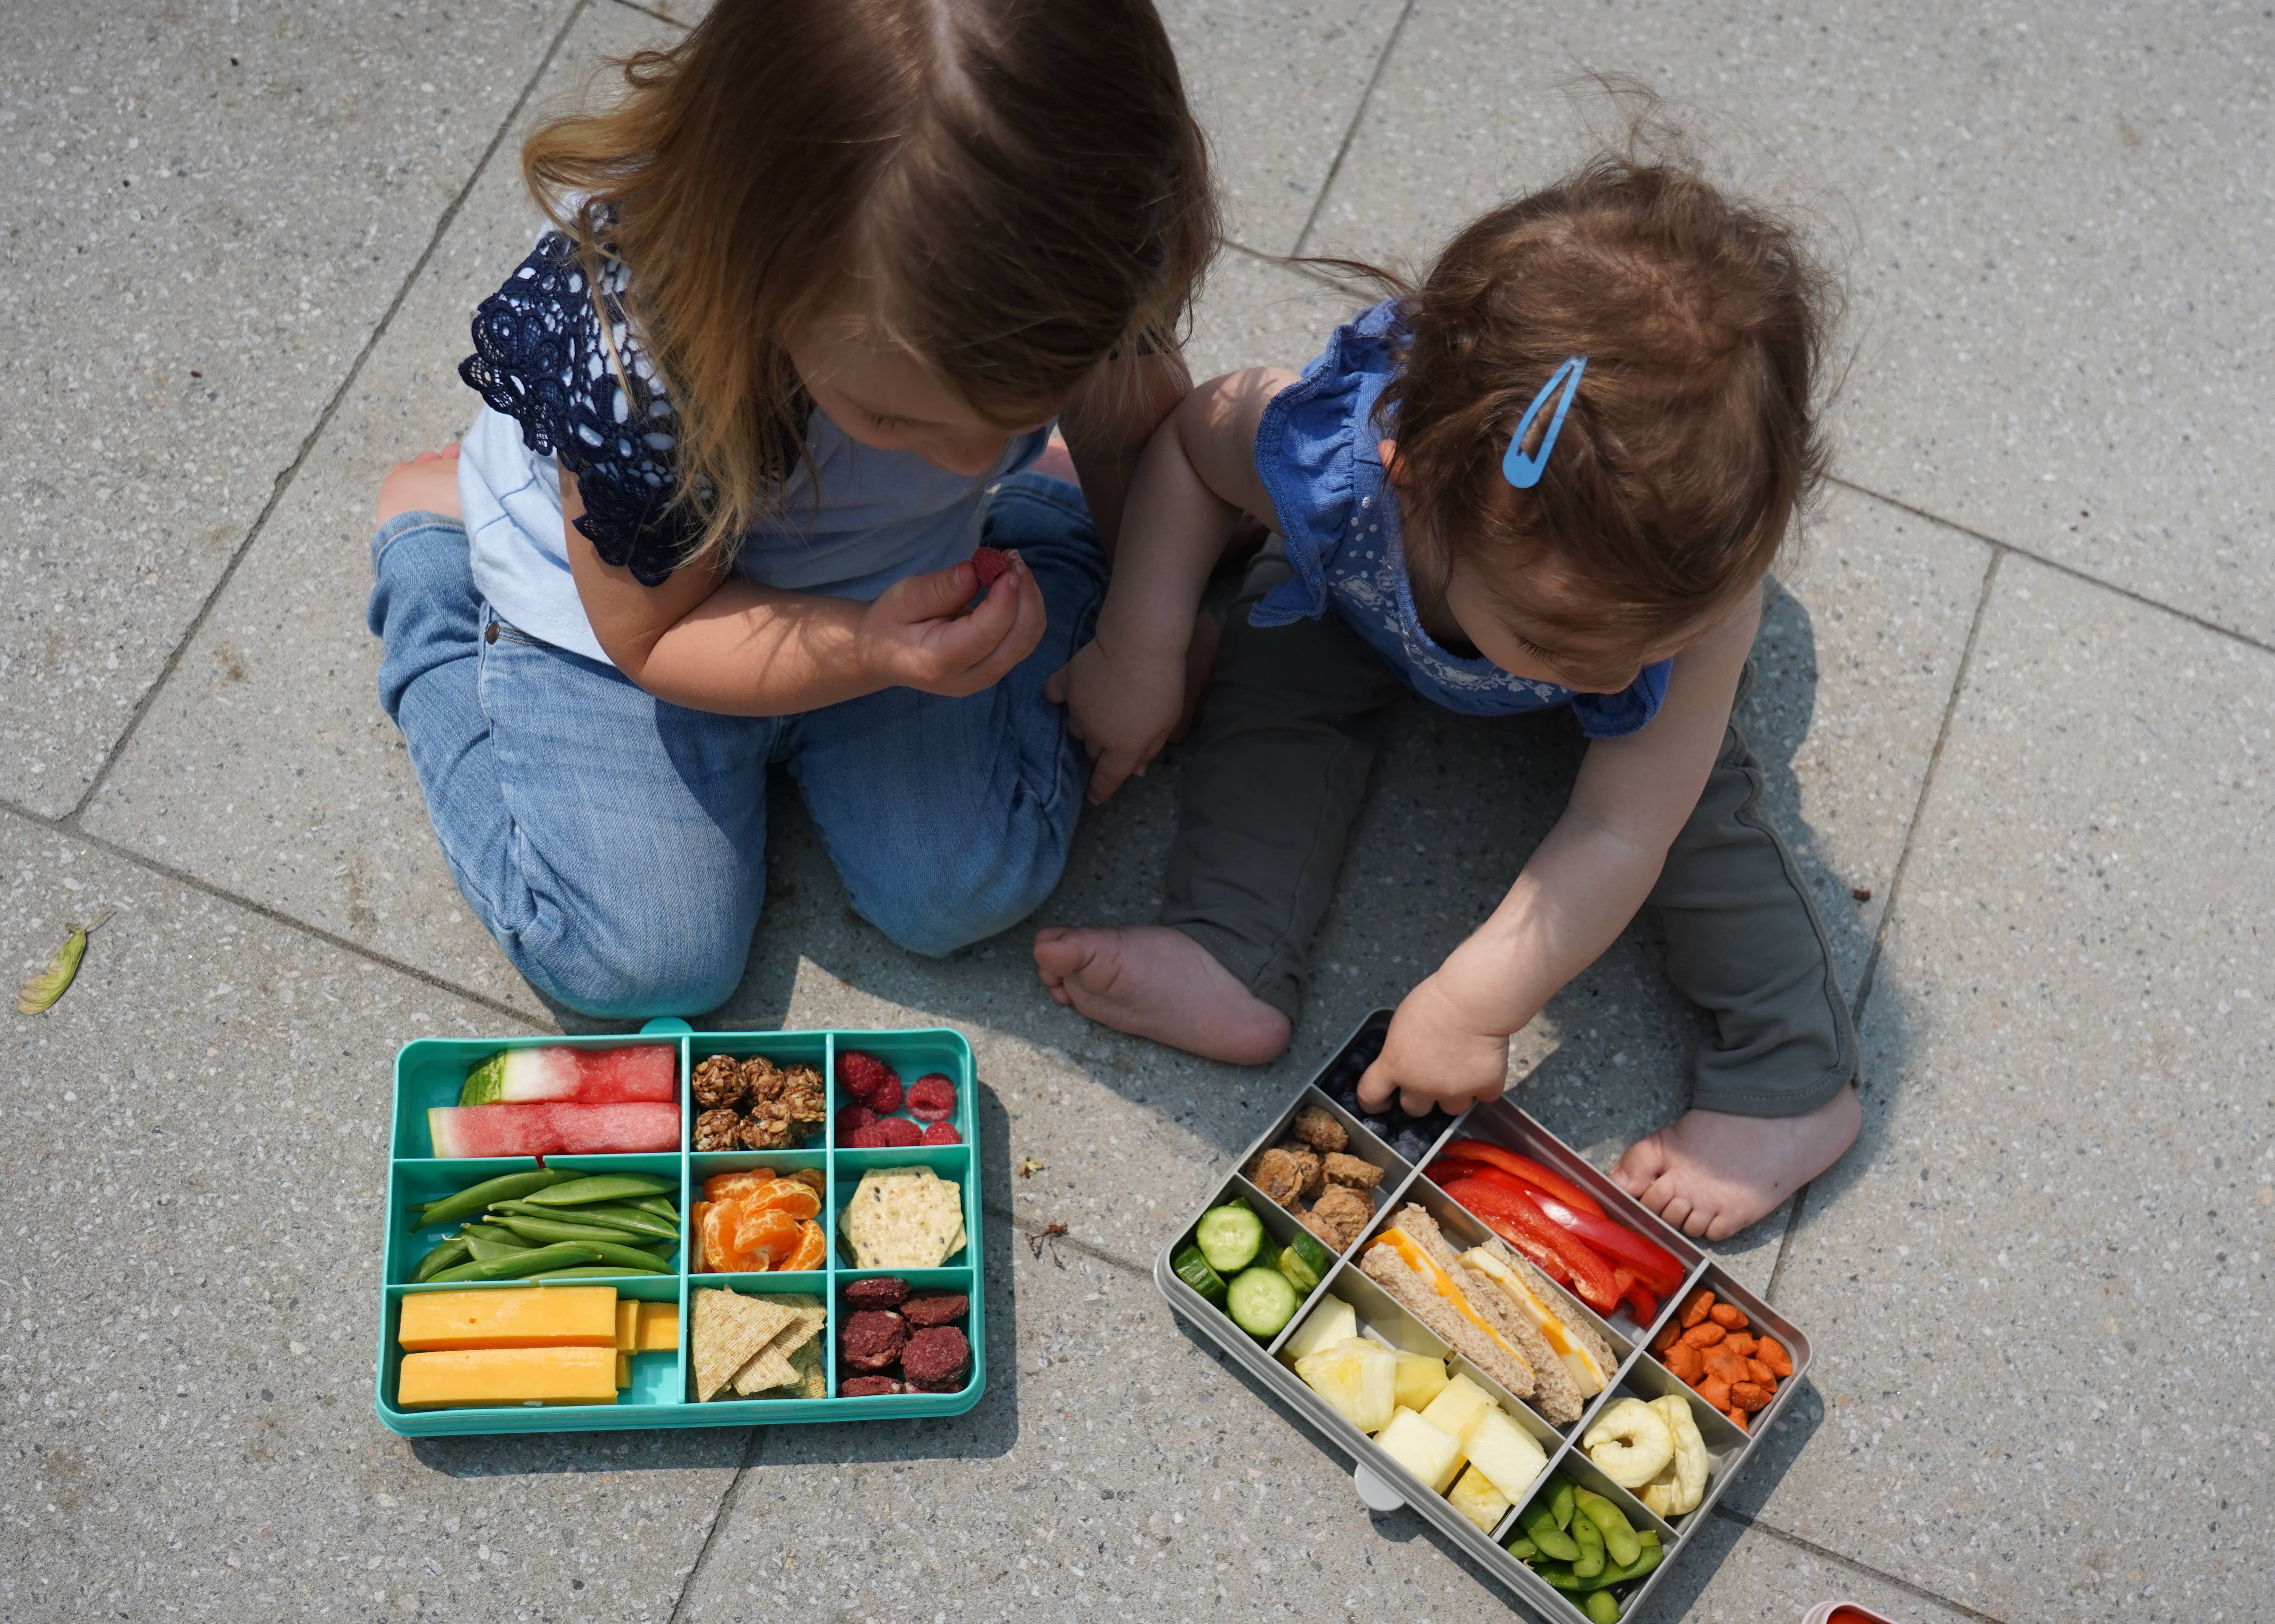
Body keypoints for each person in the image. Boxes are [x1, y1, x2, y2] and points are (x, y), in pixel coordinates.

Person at [1033, 150, 1859, 1238]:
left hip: (1573, 634)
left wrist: (1476, 1001)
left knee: (1702, 825)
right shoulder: (1340, 466)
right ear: (1412, 479)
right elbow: (1193, 449)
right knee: (1275, 673)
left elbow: (1619, 828)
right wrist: (1142, 639)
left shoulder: (1679, 612)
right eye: (1557, 637)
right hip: (1375, 600)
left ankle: (1792, 1081)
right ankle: (1230, 944)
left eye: (1644, 639)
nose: (1607, 673)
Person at [366, 0, 1217, 1017]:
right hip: (630, 613)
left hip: (888, 587)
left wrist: (1140, 633)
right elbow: (656, 635)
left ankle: (1048, 516)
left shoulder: (1086, 261)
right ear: (757, 269)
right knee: (642, 963)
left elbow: (1132, 418)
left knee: (963, 890)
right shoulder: (638, 368)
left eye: (1021, 417)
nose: (969, 459)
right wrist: (868, 650)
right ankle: (433, 558)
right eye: (896, 416)